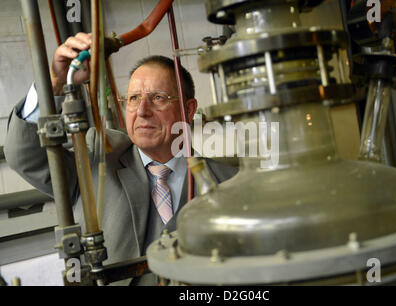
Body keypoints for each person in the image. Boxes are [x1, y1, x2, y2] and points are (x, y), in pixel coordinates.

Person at [4, 33, 238, 285]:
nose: (142, 111)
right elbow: (23, 155)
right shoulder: (98, 157)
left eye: (158, 98)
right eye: (133, 98)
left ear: (189, 109)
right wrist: (55, 83)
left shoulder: (229, 183)